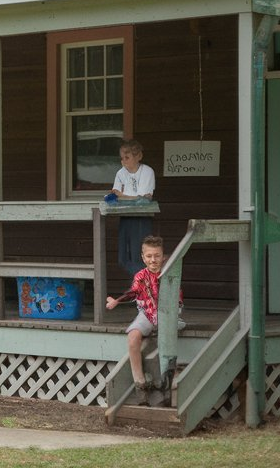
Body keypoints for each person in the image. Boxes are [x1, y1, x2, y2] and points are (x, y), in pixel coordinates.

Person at [106, 235, 183, 405]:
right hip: (147, 313)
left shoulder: (170, 272)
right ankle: (140, 383)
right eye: (149, 256)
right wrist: (117, 301)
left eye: (157, 255)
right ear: (143, 257)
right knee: (133, 336)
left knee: (166, 340)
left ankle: (166, 384)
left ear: (163, 256)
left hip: (168, 315)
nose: (153, 260)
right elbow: (133, 293)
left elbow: (176, 299)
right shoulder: (141, 276)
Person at [108, 139, 156, 276]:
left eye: (127, 157)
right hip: (126, 217)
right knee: (123, 257)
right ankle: (136, 288)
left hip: (141, 218)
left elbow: (144, 200)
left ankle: (142, 292)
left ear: (138, 156)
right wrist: (129, 197)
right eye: (121, 158)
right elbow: (116, 196)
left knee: (139, 257)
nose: (124, 161)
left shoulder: (147, 172)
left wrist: (124, 196)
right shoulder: (121, 173)